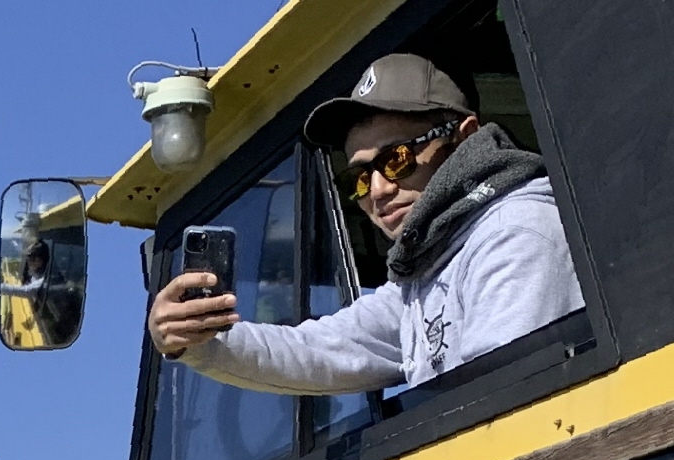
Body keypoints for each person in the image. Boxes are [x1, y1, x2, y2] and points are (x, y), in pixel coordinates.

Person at [148, 53, 584, 393]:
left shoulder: (515, 232)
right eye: (359, 177)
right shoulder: (420, 280)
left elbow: (507, 409)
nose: (377, 191)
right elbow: (320, 349)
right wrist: (195, 339)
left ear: (464, 139)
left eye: (395, 160)